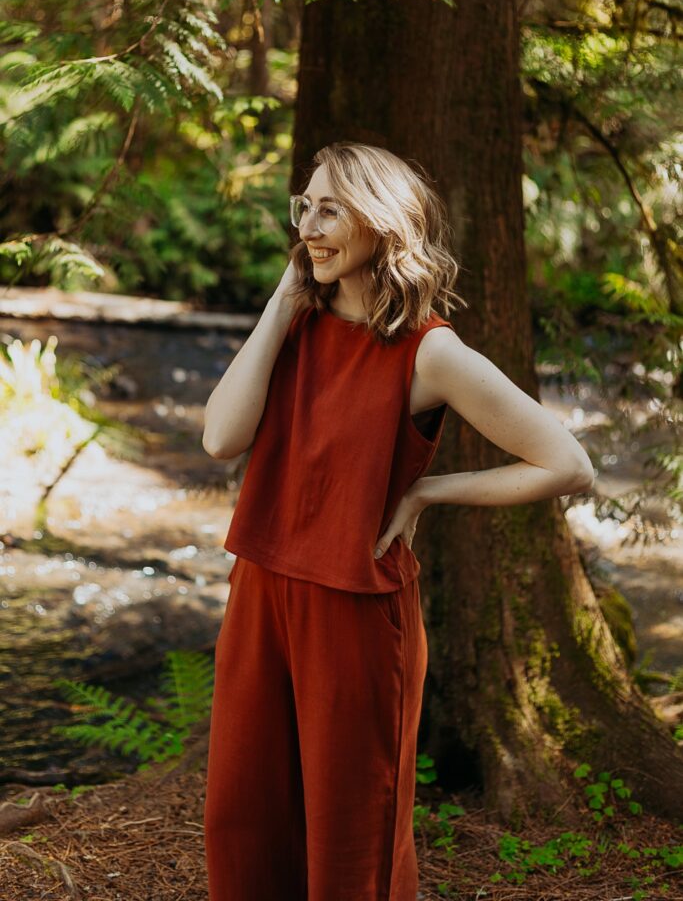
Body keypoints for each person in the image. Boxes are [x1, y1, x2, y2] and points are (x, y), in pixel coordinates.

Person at [201, 142, 595, 901]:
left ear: (380, 224)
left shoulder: (429, 353)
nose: (308, 227)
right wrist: (280, 305)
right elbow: (221, 438)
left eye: (329, 209)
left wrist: (425, 493)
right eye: (303, 206)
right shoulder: (295, 322)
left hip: (355, 612)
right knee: (244, 820)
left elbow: (566, 464)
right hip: (260, 590)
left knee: (353, 838)